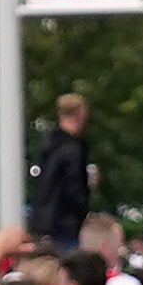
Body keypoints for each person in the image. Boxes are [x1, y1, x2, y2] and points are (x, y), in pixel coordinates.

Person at [28, 90, 101, 244]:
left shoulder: (47, 146)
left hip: (42, 222)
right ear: (81, 114)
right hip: (65, 223)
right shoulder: (73, 149)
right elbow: (73, 188)